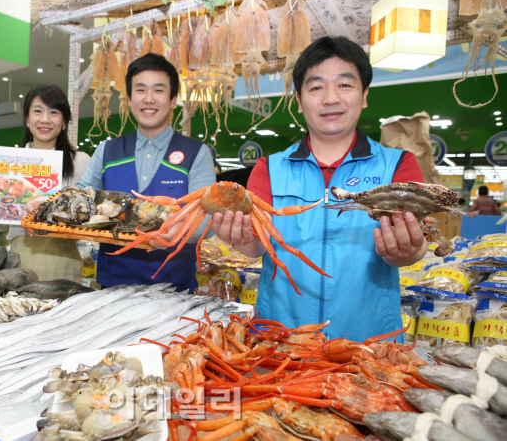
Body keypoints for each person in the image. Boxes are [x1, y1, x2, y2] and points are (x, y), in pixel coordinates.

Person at [211, 36, 426, 342]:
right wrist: (240, 238)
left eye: (345, 85)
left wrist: (408, 250)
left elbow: (415, 249)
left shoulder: (398, 166)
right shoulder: (268, 169)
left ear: (364, 95)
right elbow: (255, 246)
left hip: (370, 340)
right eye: (316, 87)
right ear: (298, 100)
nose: (330, 98)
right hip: (281, 337)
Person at [77, 53, 216, 291]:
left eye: (159, 90)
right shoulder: (107, 150)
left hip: (173, 290)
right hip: (111, 288)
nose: (148, 99)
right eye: (140, 90)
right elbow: (82, 194)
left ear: (173, 99)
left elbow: (207, 218)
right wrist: (45, 202)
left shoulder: (196, 153)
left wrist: (175, 234)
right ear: (129, 98)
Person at [0, 84, 90, 282]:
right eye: (37, 111)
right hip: (20, 257)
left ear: (64, 122)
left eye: (54, 112)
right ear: (27, 119)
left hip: (64, 258)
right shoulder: (9, 163)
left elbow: (91, 215)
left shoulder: (80, 162)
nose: (45, 119)